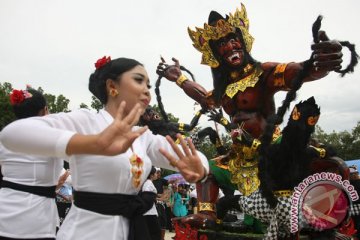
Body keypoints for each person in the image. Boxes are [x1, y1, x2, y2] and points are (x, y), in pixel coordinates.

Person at [156, 3, 347, 227]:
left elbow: (297, 72)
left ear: (244, 41)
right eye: (222, 44)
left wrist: (319, 63)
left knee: (318, 160)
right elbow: (204, 98)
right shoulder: (224, 88)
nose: (229, 46)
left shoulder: (263, 73)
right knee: (208, 169)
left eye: (232, 39)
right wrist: (179, 78)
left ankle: (326, 213)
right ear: (215, 53)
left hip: (271, 147)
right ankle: (207, 213)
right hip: (239, 154)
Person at [0, 56, 209, 240]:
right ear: (112, 86)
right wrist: (95, 143)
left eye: (148, 84)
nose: (147, 90)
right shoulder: (85, 121)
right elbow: (13, 134)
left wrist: (199, 168)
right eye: (138, 80)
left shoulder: (144, 137)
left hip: (131, 231)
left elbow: (194, 158)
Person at [0, 87, 63, 240]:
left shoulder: (4, 137)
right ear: (44, 111)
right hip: (36, 220)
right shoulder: (53, 137)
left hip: (3, 211)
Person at [143, 166, 161, 240]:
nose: (157, 175)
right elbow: (146, 195)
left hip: (150, 212)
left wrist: (160, 197)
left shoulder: (149, 183)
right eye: (156, 173)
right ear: (151, 175)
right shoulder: (148, 183)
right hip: (149, 212)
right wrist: (157, 199)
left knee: (153, 233)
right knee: (155, 233)